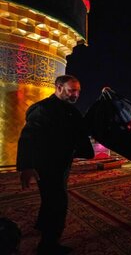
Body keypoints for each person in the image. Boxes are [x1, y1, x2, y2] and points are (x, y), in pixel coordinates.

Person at [16, 75, 94, 255]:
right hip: (46, 167)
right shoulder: (43, 109)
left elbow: (83, 128)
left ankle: (42, 226)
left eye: (78, 91)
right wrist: (27, 166)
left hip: (62, 166)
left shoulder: (71, 111)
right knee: (58, 204)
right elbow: (28, 137)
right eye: (71, 90)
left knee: (50, 200)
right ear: (58, 87)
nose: (76, 95)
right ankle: (48, 245)